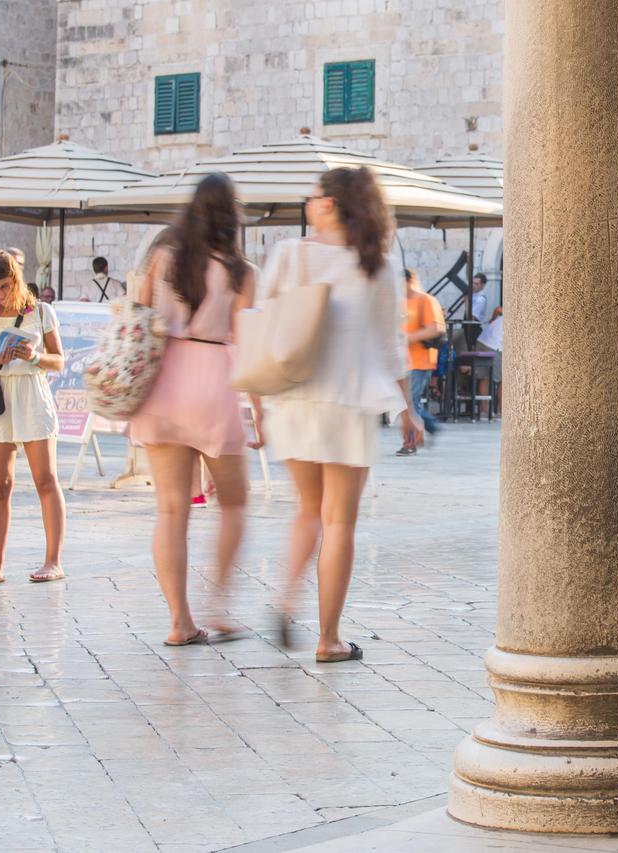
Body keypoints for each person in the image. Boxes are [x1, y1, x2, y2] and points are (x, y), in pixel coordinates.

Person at [265, 166, 423, 662]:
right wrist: (407, 410)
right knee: (340, 522)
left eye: (311, 197)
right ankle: (328, 638)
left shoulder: (290, 254)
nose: (308, 204)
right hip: (350, 399)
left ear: (329, 204)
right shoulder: (377, 263)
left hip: (293, 396)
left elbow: (261, 318)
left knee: (307, 510)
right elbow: (390, 345)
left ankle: (286, 599)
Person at [131, 173, 261, 646]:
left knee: (171, 510)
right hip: (211, 380)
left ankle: (180, 621)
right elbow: (250, 348)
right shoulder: (242, 271)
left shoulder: (162, 258)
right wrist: (259, 412)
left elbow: (137, 316)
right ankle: (219, 606)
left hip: (162, 378)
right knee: (235, 505)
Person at [0, 251, 66, 587]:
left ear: (16, 280)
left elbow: (59, 361)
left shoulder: (41, 311)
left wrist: (34, 356)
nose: (0, 295)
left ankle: (53, 561)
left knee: (46, 480)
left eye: (5, 287)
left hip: (33, 396)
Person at [399, 267, 445, 455]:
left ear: (408, 281)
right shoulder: (401, 302)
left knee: (410, 401)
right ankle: (430, 426)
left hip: (419, 360)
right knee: (406, 401)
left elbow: (436, 328)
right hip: (403, 360)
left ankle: (410, 443)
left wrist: (407, 337)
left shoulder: (425, 300)